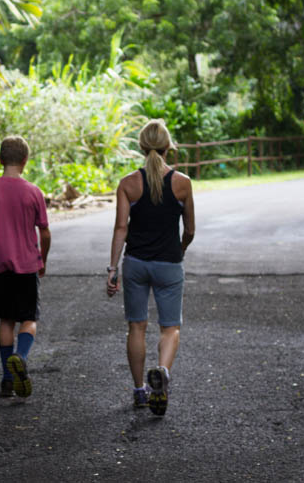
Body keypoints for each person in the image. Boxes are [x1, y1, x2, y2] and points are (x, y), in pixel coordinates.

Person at [107, 119, 195, 416]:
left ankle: (139, 390)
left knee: (137, 326)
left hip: (136, 264)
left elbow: (121, 228)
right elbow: (190, 230)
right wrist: (178, 250)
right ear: (169, 146)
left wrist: (112, 269)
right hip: (169, 263)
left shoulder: (128, 184)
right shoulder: (182, 183)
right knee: (170, 328)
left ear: (142, 147)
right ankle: (162, 372)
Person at [0, 135, 51, 399]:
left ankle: (7, 379)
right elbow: (45, 232)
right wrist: (43, 259)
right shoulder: (34, 192)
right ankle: (21, 357)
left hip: (0, 264)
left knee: (6, 319)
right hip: (27, 264)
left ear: (0, 159)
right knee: (29, 319)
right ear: (25, 160)